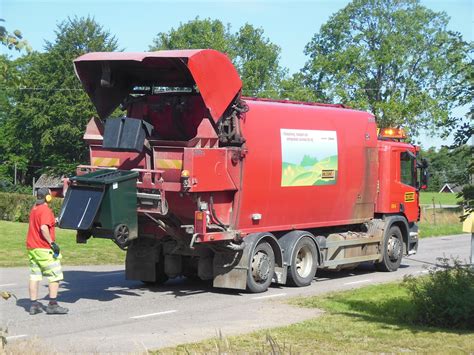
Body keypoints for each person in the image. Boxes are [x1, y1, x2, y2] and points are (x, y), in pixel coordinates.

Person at [26, 187, 68, 315]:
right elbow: (43, 228)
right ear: (47, 197)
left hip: (32, 248)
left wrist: (53, 221)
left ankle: (34, 305)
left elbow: (41, 223)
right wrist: (52, 243)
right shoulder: (45, 210)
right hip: (44, 248)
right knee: (55, 276)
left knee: (35, 276)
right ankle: (52, 305)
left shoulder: (35, 209)